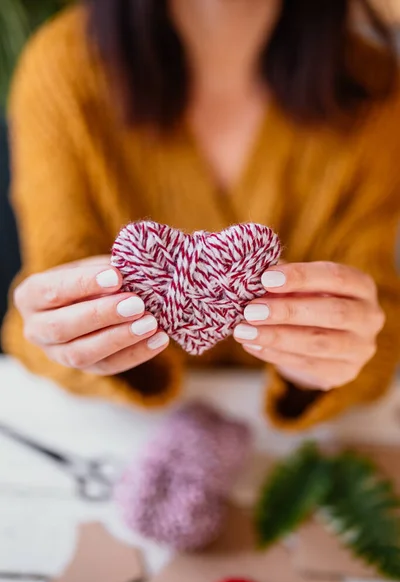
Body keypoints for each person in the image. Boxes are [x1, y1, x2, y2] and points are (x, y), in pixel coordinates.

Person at [2, 0, 400, 431]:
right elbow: (38, 312)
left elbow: (381, 325)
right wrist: (72, 334)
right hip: (115, 434)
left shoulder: (375, 92)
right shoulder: (63, 72)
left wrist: (331, 361)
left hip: (294, 450)